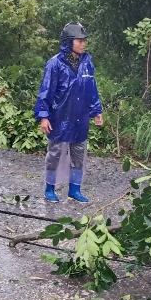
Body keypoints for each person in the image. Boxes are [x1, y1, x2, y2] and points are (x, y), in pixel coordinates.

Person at [34, 22, 103, 203]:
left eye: (84, 40)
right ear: (68, 42)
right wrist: (44, 116)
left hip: (80, 116)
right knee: (55, 153)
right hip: (60, 115)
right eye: (79, 41)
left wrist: (96, 110)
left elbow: (92, 88)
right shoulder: (55, 64)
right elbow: (46, 90)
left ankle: (74, 190)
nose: (83, 44)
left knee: (79, 154)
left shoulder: (87, 64)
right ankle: (49, 188)